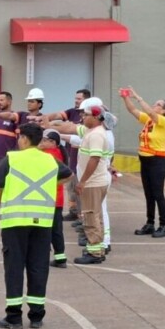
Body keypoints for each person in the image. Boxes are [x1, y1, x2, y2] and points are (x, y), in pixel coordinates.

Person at [0, 123, 72, 329]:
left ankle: (14, 316)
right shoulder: (50, 160)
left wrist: (2, 206)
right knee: (38, 266)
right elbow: (68, 174)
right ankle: (36, 315)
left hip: (15, 221)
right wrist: (48, 186)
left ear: (25, 139)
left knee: (14, 267)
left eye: (20, 137)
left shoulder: (13, 158)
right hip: (43, 220)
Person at [121, 87, 165, 239]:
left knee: (158, 194)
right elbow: (133, 111)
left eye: (158, 105)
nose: (155, 106)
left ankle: (163, 226)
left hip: (157, 161)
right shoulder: (149, 120)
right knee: (148, 194)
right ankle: (150, 223)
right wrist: (125, 97)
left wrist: (138, 96)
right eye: (155, 104)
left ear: (164, 111)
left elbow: (150, 112)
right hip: (145, 160)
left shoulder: (163, 121)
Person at [72, 102, 112, 265]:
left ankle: (94, 252)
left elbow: (94, 159)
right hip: (96, 181)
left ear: (96, 117)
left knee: (90, 216)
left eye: (86, 114)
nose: (83, 117)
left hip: (93, 183)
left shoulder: (96, 135)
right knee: (95, 215)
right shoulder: (93, 131)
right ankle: (98, 249)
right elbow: (69, 129)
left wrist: (83, 181)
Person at [42, 89, 91, 221]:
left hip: (84, 158)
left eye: (79, 99)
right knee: (72, 186)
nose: (76, 101)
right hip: (73, 156)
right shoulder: (72, 112)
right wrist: (48, 118)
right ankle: (74, 211)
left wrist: (51, 126)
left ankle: (83, 218)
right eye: (75, 98)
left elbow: (70, 129)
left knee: (81, 189)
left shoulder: (90, 120)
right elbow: (59, 116)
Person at [39, 129, 69, 268]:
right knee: (56, 231)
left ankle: (53, 257)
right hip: (57, 199)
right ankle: (60, 256)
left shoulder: (49, 155)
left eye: (44, 140)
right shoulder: (56, 153)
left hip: (49, 199)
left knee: (46, 230)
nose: (41, 142)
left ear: (52, 142)